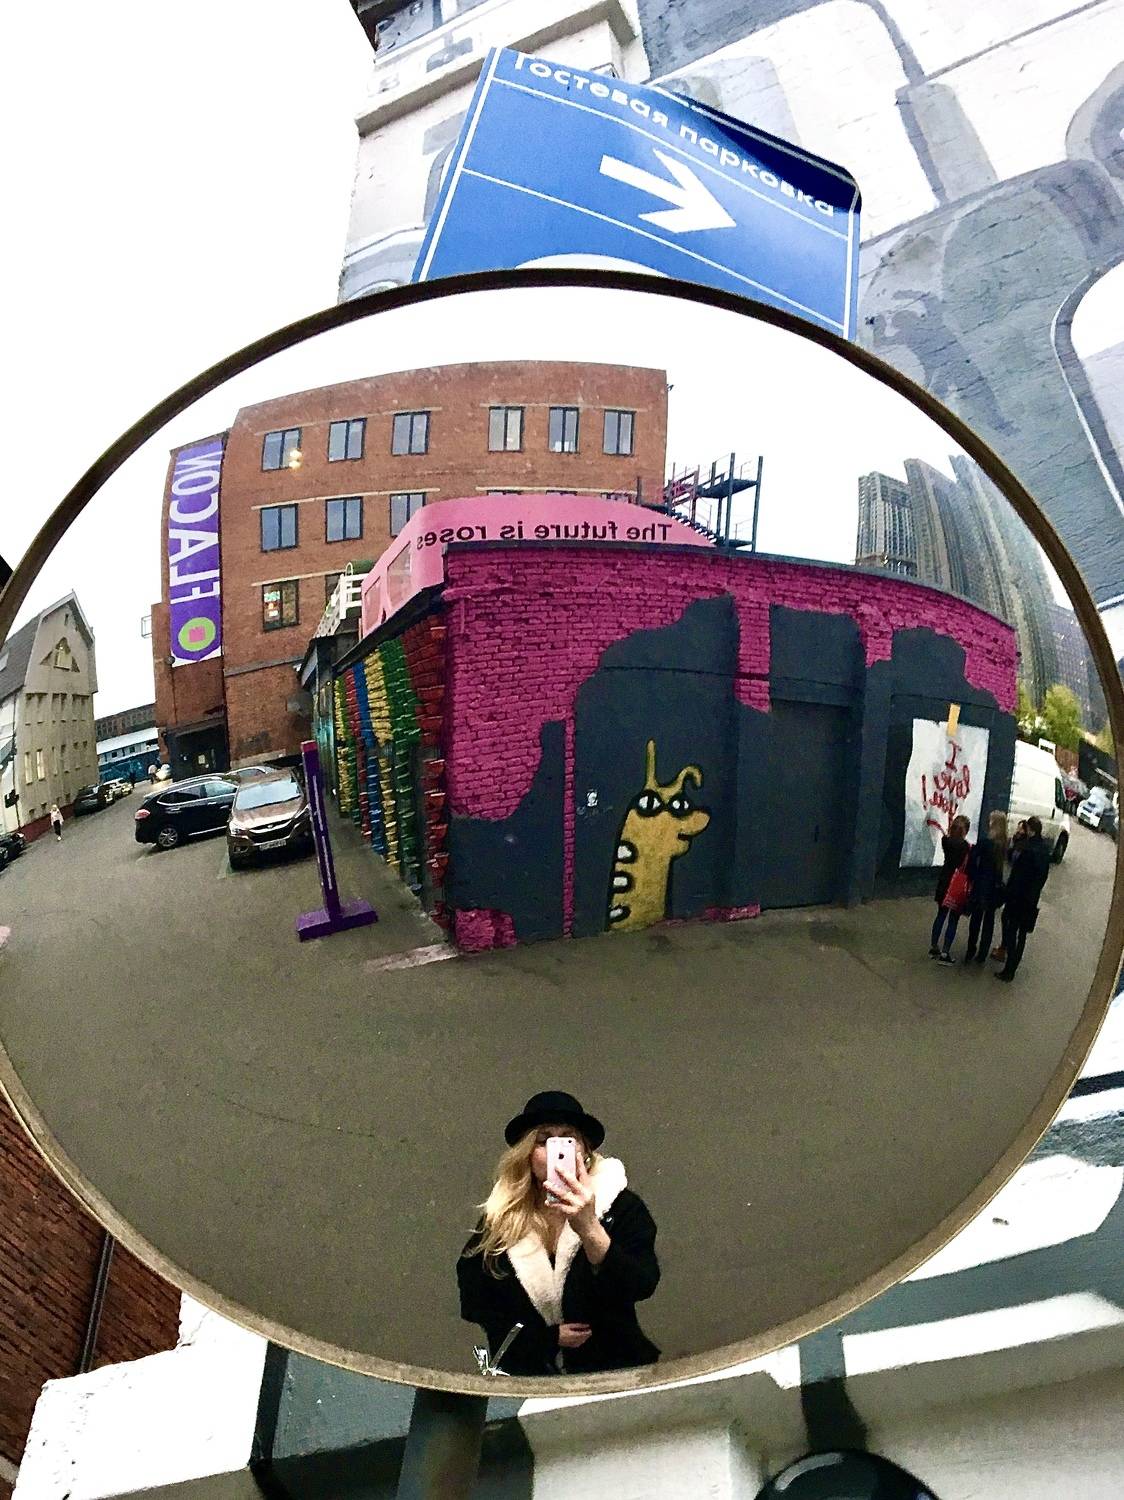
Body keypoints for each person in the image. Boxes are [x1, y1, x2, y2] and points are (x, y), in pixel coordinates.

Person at [457, 1090, 660, 1377]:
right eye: (544, 1141)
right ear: (527, 1154)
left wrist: (590, 1228)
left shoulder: (620, 1207)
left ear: (585, 1151)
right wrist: (544, 1338)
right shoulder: (501, 1219)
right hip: (529, 1378)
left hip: (614, 1372)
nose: (558, 1151)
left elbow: (642, 1283)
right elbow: (475, 1302)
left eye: (568, 1139)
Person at [996, 815, 1051, 982]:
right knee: (1021, 936)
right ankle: (1012, 967)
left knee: (1012, 931)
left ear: (1030, 830)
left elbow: (1018, 876)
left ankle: (1008, 970)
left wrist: (1008, 894)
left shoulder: (1027, 850)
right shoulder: (1044, 850)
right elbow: (1042, 876)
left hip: (1018, 898)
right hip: (1031, 900)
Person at [964, 811, 1008, 965]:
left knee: (976, 920)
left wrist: (972, 876)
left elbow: (972, 859)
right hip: (994, 888)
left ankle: (971, 949)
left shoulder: (985, 843)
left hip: (981, 885)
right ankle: (982, 953)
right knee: (989, 921)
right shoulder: (1003, 844)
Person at [929, 814, 971, 965]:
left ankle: (934, 947)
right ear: (966, 831)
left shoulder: (945, 841)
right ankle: (945, 952)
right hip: (957, 885)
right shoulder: (966, 848)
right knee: (953, 919)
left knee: (940, 915)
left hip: (944, 880)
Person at [991, 820, 1028, 961]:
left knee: (1007, 918)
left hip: (1013, 887)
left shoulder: (1021, 847)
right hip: (1010, 884)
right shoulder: (1017, 842)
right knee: (1006, 918)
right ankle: (1004, 947)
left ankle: (1004, 949)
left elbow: (1012, 859)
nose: (1018, 831)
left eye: (1021, 829)